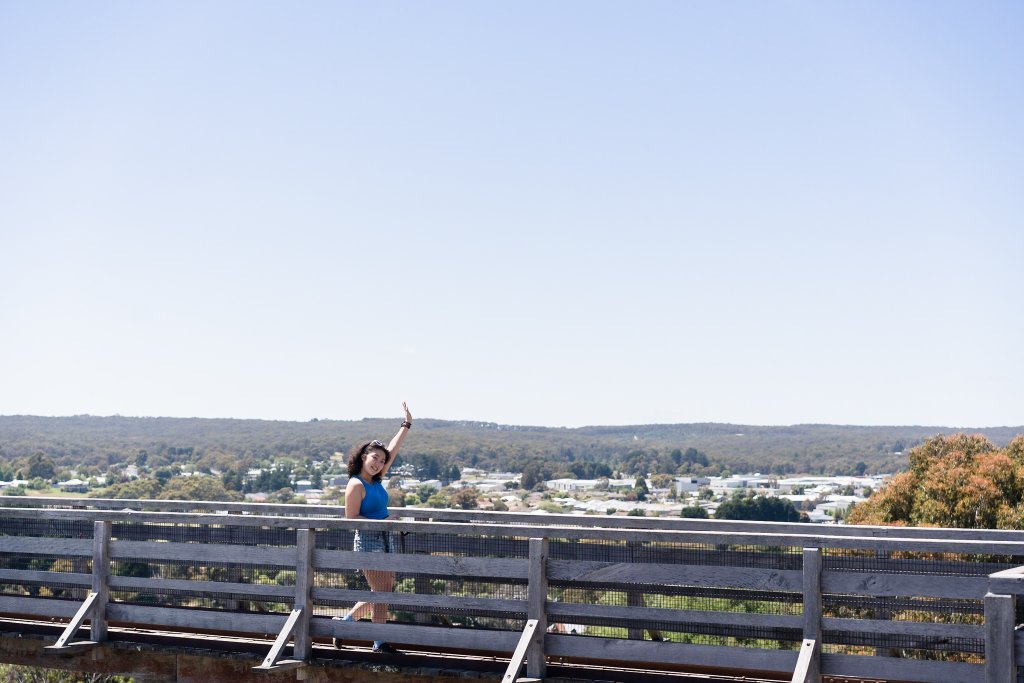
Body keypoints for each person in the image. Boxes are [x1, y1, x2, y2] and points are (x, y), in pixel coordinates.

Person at [334, 402, 412, 654]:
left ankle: (346, 624)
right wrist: (383, 522)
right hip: (368, 540)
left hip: (385, 538)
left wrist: (406, 424)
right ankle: (379, 641)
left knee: (383, 590)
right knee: (380, 592)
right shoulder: (356, 485)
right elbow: (351, 518)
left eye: (381, 460)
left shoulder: (376, 480)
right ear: (363, 458)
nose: (378, 463)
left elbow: (393, 450)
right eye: (374, 458)